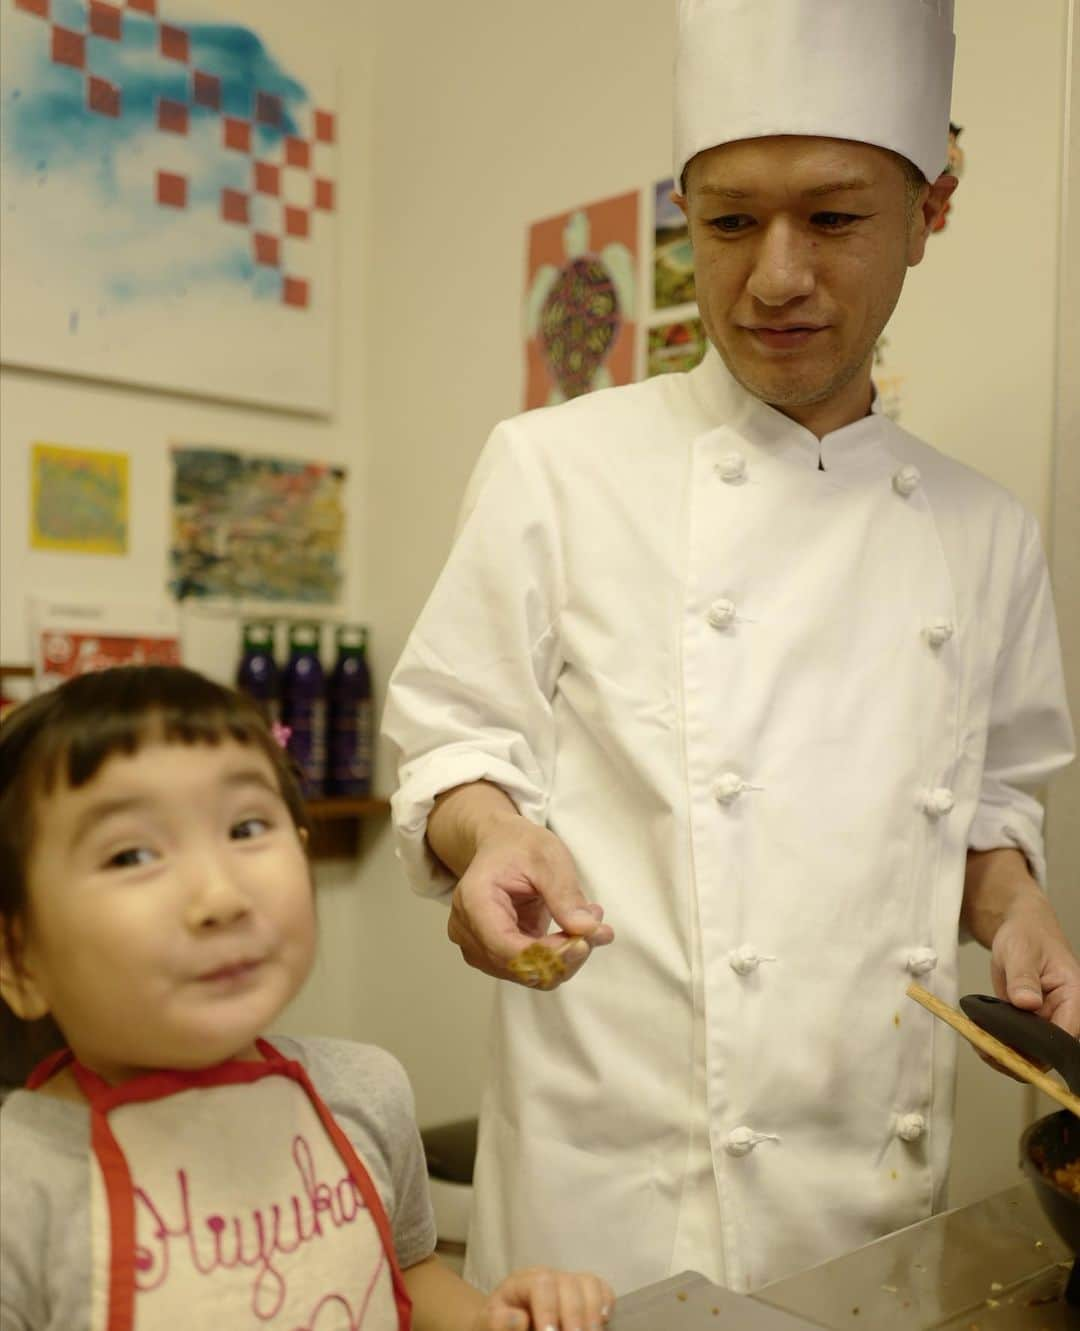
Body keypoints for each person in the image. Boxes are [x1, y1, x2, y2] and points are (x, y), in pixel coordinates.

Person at [382, 0, 1080, 1298]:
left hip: (874, 1197)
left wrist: (1015, 905)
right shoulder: (557, 466)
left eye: (829, 217)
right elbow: (453, 738)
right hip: (614, 1201)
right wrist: (489, 836)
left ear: (932, 208)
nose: (773, 276)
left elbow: (986, 801)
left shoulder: (987, 531)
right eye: (726, 221)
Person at [0, 666, 615, 1331]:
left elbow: (407, 1273)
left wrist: (488, 1318)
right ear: (17, 957)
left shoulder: (363, 1093)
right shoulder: (20, 1188)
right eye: (130, 855)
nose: (221, 895)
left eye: (245, 828)